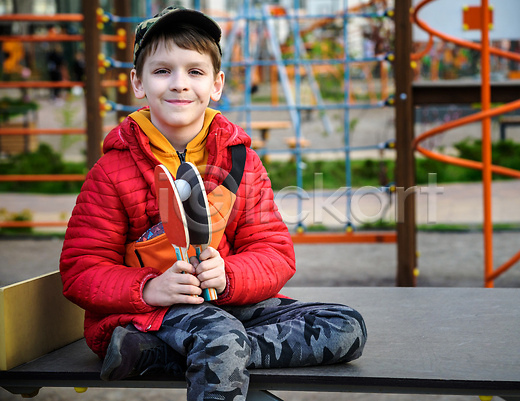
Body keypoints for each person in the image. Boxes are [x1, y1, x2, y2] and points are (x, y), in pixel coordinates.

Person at [59, 6, 367, 401]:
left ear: (216, 84)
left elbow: (274, 252)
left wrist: (228, 277)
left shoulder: (241, 161)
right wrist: (150, 288)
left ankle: (179, 356)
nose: (179, 84)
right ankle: (206, 349)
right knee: (219, 335)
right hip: (145, 316)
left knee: (344, 325)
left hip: (226, 302)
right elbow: (80, 270)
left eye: (195, 71)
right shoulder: (111, 170)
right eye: (162, 71)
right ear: (138, 82)